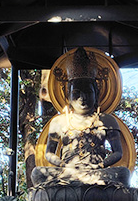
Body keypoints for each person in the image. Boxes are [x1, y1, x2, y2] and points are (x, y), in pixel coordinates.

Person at [32, 47, 129, 187]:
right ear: (68, 95)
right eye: (76, 93)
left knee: (123, 174)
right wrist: (64, 165)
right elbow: (49, 154)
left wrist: (99, 166)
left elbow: (118, 152)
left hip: (96, 172)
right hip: (68, 172)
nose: (82, 98)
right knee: (38, 174)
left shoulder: (107, 120)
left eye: (88, 92)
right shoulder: (59, 122)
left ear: (96, 94)